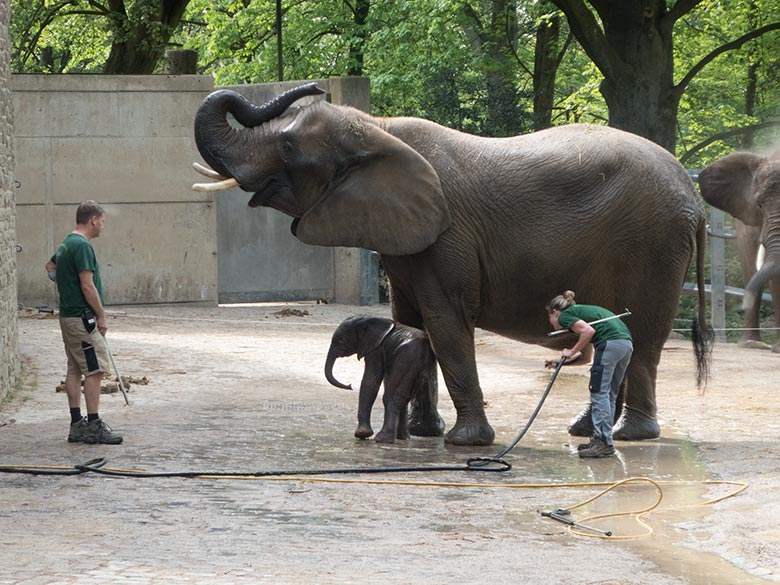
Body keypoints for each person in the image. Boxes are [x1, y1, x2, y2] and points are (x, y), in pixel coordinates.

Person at [45, 201, 123, 445]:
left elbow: (50, 267)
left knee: (74, 369)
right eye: (102, 220)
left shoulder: (67, 243)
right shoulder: (82, 246)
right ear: (93, 220)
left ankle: (76, 424)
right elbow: (87, 285)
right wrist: (100, 315)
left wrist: (65, 287)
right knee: (95, 369)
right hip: (81, 318)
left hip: (68, 317)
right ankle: (93, 424)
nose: (103, 225)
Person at [546, 290, 632, 458]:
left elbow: (588, 332)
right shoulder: (582, 315)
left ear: (555, 311)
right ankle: (602, 440)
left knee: (598, 393)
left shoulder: (566, 315)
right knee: (609, 395)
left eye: (549, 317)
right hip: (625, 345)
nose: (550, 322)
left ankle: (603, 442)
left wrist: (570, 351)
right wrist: (561, 362)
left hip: (609, 344)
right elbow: (586, 358)